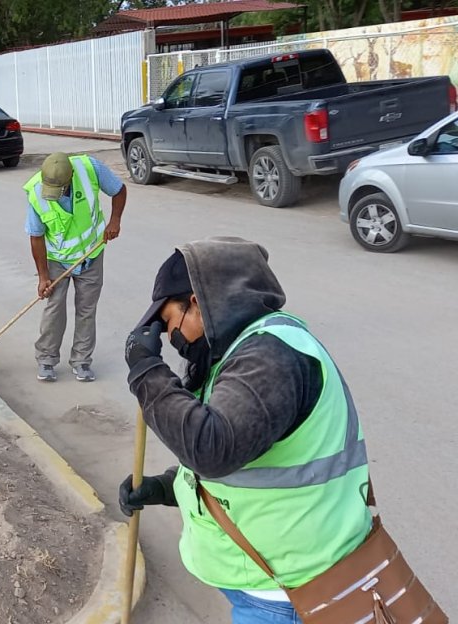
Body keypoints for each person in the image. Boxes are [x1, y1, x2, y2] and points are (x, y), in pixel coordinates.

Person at [120, 238, 372, 624]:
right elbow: (254, 464)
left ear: (198, 302)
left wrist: (146, 371)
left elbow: (213, 448)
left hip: (289, 593)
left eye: (172, 321)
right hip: (273, 585)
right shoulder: (240, 352)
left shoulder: (270, 356)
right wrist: (168, 487)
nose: (173, 336)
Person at [25, 151, 127, 383]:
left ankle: (81, 361)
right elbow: (36, 237)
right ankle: (47, 359)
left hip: (92, 253)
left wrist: (115, 221)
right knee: (54, 307)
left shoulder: (89, 168)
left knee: (86, 310)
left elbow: (119, 189)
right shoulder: (36, 193)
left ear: (69, 179)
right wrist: (43, 277)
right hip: (57, 259)